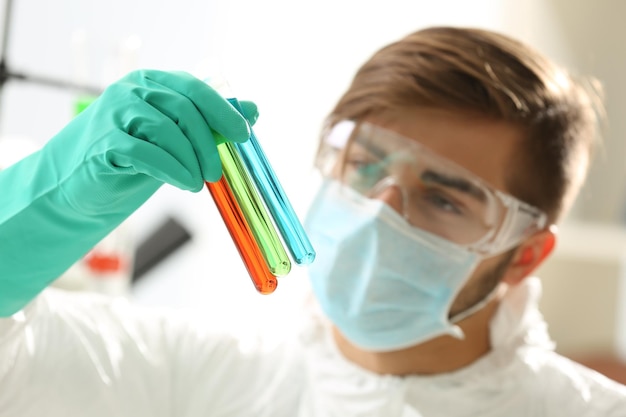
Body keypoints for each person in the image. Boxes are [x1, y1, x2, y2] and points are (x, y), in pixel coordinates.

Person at [1, 26, 625, 416]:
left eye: (444, 199)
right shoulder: (193, 372)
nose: (379, 212)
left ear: (523, 254)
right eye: (364, 166)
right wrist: (49, 197)